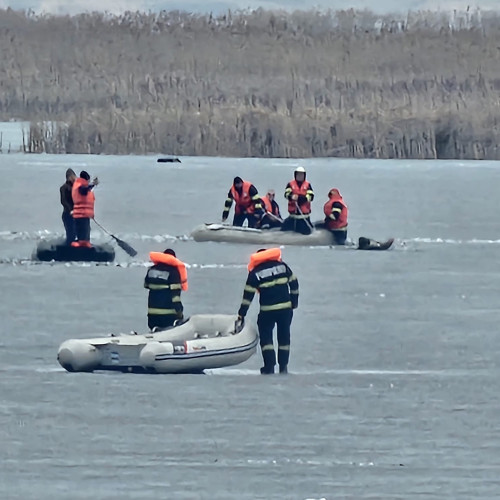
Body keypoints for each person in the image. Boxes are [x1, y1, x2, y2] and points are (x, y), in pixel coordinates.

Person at [236, 248, 299, 375]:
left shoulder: (255, 273)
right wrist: (294, 302)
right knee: (284, 338)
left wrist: (242, 314)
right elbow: (294, 284)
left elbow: (248, 296)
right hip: (285, 309)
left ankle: (269, 367)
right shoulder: (283, 266)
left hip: (267, 310)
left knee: (266, 339)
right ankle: (283, 367)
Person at [144, 248, 188, 331]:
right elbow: (175, 297)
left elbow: (146, 285)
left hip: (152, 315)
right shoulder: (174, 272)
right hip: (168, 316)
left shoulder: (151, 270)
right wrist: (180, 313)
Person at [281, 166, 314, 235]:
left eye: (301, 174)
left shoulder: (308, 185)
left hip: (304, 216)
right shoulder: (290, 184)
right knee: (283, 229)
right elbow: (286, 194)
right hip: (293, 216)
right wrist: (291, 196)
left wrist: (302, 198)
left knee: (307, 231)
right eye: (298, 174)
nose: (300, 176)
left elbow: (311, 196)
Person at [71, 170, 99, 248]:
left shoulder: (80, 185)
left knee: (86, 231)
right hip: (81, 214)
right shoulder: (80, 186)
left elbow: (87, 189)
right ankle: (82, 246)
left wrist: (93, 184)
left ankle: (84, 243)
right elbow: (84, 190)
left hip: (83, 214)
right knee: (83, 232)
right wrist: (93, 184)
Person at [60, 168, 77, 245]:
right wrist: (71, 210)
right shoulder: (64, 188)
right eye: (71, 177)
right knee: (71, 234)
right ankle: (69, 248)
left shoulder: (78, 187)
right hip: (68, 214)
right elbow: (63, 201)